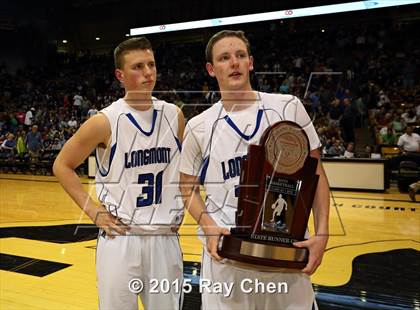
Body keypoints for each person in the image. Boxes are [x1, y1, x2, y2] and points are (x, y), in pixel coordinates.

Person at [179, 30, 330, 309]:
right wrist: (208, 227)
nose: (233, 63)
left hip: (286, 254)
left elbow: (317, 173)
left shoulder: (288, 106)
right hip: (227, 259)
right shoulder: (199, 125)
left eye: (240, 55)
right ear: (211, 69)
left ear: (251, 62)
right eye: (224, 58)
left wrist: (322, 233)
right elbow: (186, 186)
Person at [53, 37, 185, 310]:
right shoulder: (105, 121)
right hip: (121, 238)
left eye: (151, 64)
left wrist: (182, 208)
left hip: (164, 237)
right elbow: (62, 165)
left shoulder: (174, 115)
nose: (148, 72)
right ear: (120, 75)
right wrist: (93, 211)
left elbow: (183, 171)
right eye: (138, 66)